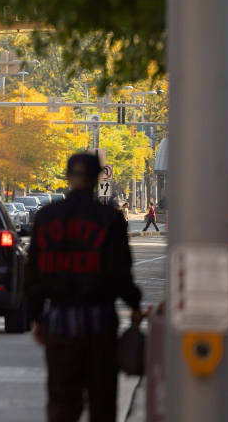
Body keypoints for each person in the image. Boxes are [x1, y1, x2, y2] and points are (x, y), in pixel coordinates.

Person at [26, 152, 142, 422]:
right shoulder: (109, 219)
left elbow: (34, 273)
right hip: (99, 320)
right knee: (102, 400)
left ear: (67, 177)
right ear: (96, 178)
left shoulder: (46, 218)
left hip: (59, 320)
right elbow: (120, 271)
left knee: (62, 400)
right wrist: (134, 304)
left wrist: (35, 316)